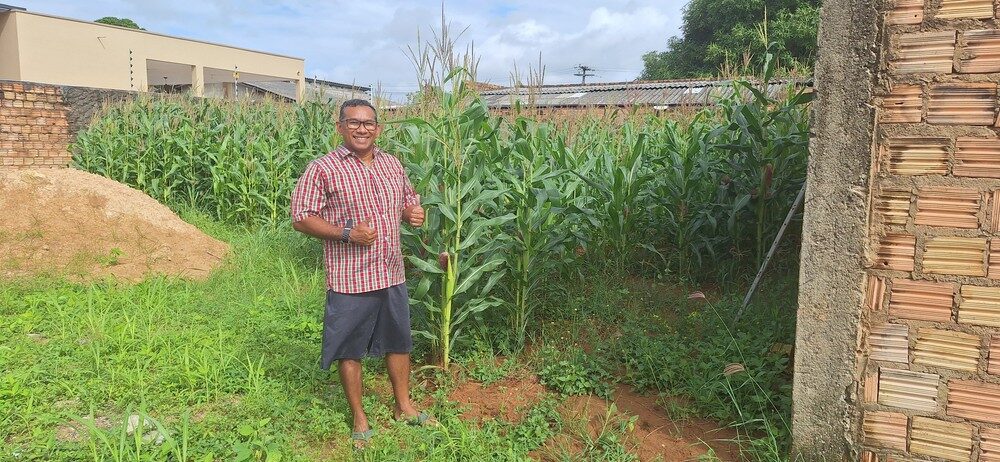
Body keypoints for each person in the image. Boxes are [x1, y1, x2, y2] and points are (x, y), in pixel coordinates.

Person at [290, 99, 430, 449]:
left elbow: (407, 200)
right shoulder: (322, 168)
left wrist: (411, 212)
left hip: (391, 272)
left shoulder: (392, 164)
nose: (362, 128)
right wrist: (346, 232)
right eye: (354, 122)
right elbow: (302, 216)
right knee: (349, 348)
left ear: (378, 128)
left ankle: (403, 406)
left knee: (399, 341)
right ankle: (359, 416)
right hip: (351, 277)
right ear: (340, 127)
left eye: (369, 123)